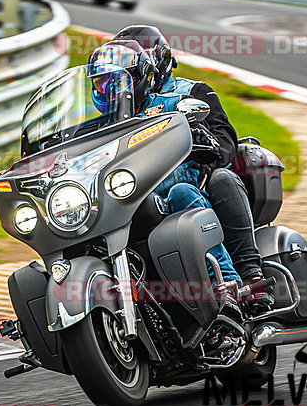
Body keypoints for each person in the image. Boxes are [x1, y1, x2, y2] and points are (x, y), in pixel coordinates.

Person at [112, 25, 274, 313]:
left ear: (154, 64)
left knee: (221, 178)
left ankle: (250, 276)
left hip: (191, 180)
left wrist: (205, 141)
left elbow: (226, 141)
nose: (124, 79)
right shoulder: (112, 116)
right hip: (133, 194)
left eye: (131, 70)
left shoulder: (192, 91)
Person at [87, 40, 244, 310]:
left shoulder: (180, 99)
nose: (111, 90)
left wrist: (201, 137)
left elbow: (222, 142)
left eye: (119, 80)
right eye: (102, 83)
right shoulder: (96, 129)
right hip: (125, 201)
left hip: (180, 189)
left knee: (184, 191)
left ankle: (229, 282)